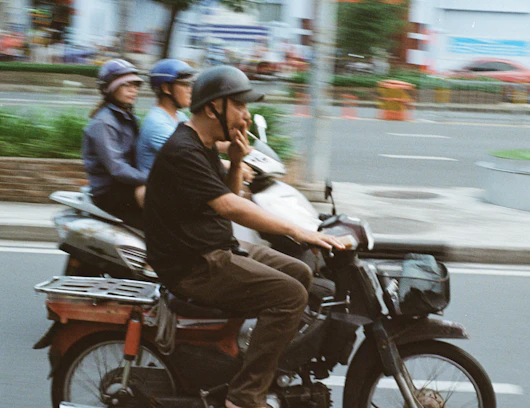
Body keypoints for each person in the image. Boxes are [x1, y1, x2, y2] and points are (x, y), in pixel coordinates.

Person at [143, 65, 345, 408]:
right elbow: (230, 207)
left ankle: (261, 356)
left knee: (301, 271)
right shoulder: (183, 150)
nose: (247, 117)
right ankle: (244, 395)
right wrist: (298, 231)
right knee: (291, 295)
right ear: (213, 108)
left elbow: (228, 194)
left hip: (216, 247)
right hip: (193, 264)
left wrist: (235, 161)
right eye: (240, 106)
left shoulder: (203, 144)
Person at [82, 58, 146, 228]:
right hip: (110, 192)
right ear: (110, 88)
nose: (133, 90)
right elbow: (117, 168)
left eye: (135, 85)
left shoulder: (129, 117)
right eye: (126, 85)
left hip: (125, 186)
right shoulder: (104, 123)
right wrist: (151, 178)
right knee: (158, 225)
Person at [136, 58, 197, 173]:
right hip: (158, 189)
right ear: (166, 88)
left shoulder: (180, 116)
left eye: (191, 84)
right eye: (185, 85)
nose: (190, 90)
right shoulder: (156, 122)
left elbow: (200, 139)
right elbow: (192, 156)